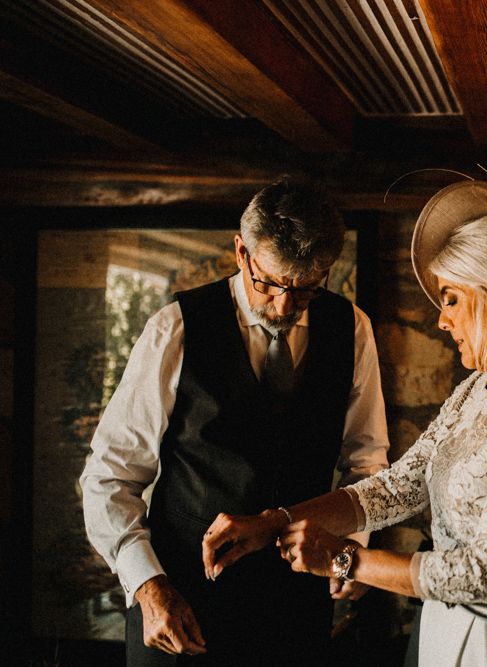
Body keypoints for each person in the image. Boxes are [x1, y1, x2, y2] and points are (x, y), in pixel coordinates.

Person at [201, 180, 487, 666]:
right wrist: (275, 521)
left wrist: (344, 560)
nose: (441, 321)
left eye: (451, 298)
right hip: (443, 629)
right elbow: (400, 487)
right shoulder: (477, 388)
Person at [80, 175, 390, 665]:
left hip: (296, 610)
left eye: (307, 288)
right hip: (181, 604)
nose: (285, 305)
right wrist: (146, 585)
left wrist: (350, 547)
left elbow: (367, 460)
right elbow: (110, 476)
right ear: (241, 252)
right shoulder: (175, 328)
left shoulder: (353, 329)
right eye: (270, 283)